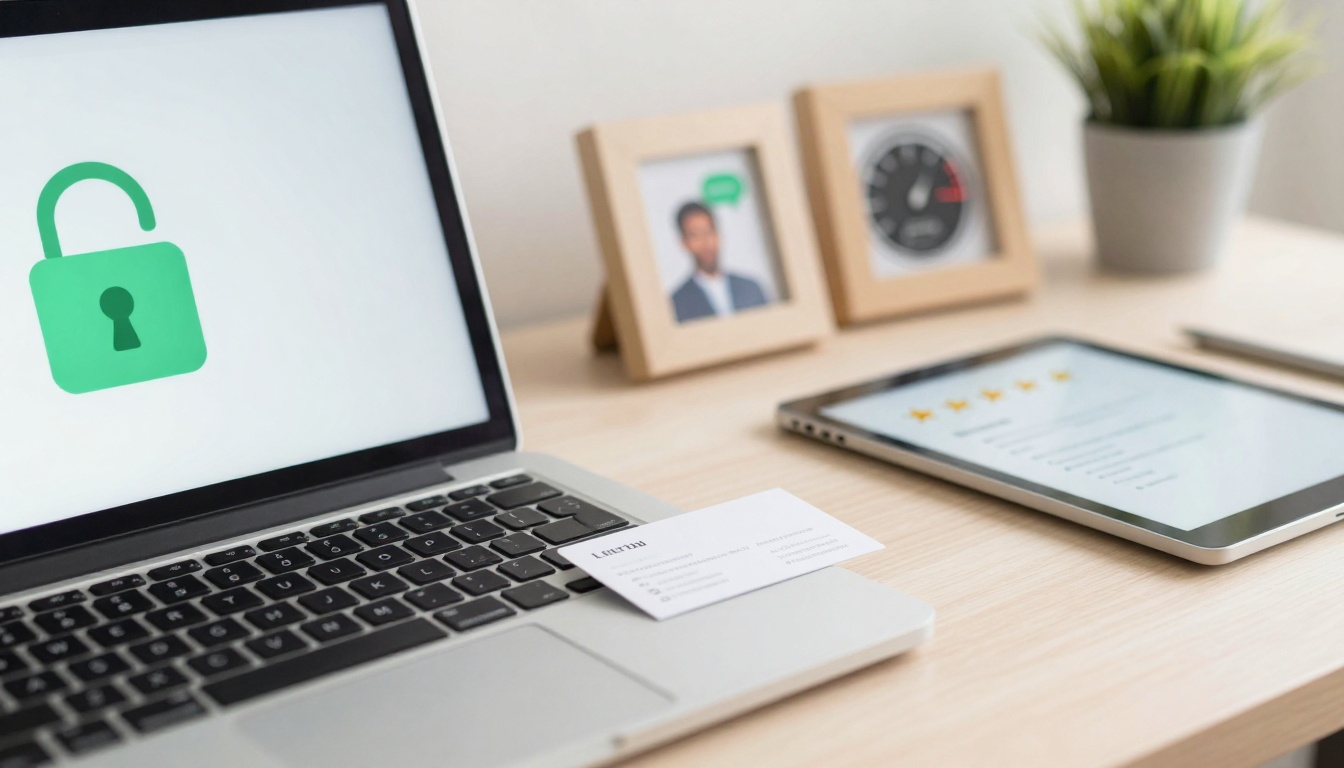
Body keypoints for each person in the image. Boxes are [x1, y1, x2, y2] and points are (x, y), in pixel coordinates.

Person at [668, 201, 768, 323]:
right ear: (684, 242)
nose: (706, 242)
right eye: (695, 235)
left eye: (709, 232)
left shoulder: (751, 289)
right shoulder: (677, 303)